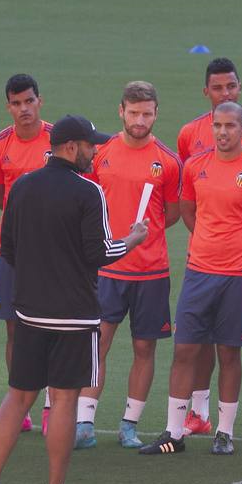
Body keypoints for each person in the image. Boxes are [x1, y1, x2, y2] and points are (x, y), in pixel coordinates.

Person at [0, 115, 147, 484]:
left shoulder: (23, 187)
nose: (95, 151)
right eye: (90, 146)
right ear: (71, 147)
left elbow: (9, 248)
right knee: (64, 401)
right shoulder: (89, 192)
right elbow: (99, 254)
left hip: (29, 312)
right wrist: (133, 240)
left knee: (17, 397)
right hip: (75, 316)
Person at [141, 103, 242, 457]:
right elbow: (188, 210)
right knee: (185, 348)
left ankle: (224, 432)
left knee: (229, 352)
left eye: (230, 126)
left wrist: (240, 249)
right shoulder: (195, 167)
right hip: (199, 271)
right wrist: (210, 241)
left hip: (239, 275)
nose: (222, 132)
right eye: (217, 125)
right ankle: (174, 431)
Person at [175, 57, 242, 436]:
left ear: (240, 88)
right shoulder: (190, 135)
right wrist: (208, 233)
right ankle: (199, 412)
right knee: (202, 332)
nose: (225, 92)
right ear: (206, 92)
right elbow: (189, 201)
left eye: (231, 86)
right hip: (209, 256)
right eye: (218, 87)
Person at [81, 82, 180, 449]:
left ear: (156, 114)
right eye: (134, 112)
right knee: (98, 344)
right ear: (120, 111)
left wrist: (143, 239)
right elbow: (89, 203)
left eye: (147, 113)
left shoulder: (167, 161)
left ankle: (129, 425)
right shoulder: (101, 154)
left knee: (144, 349)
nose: (140, 120)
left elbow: (169, 214)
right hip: (107, 269)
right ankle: (85, 423)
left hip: (151, 272)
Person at [0, 74, 51, 432]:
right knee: (16, 331)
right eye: (16, 103)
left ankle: (52, 406)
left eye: (29, 101)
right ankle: (20, 403)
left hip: (55, 257)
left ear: (40, 101)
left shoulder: (60, 141)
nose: (24, 109)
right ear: (8, 106)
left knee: (55, 331)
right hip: (12, 254)